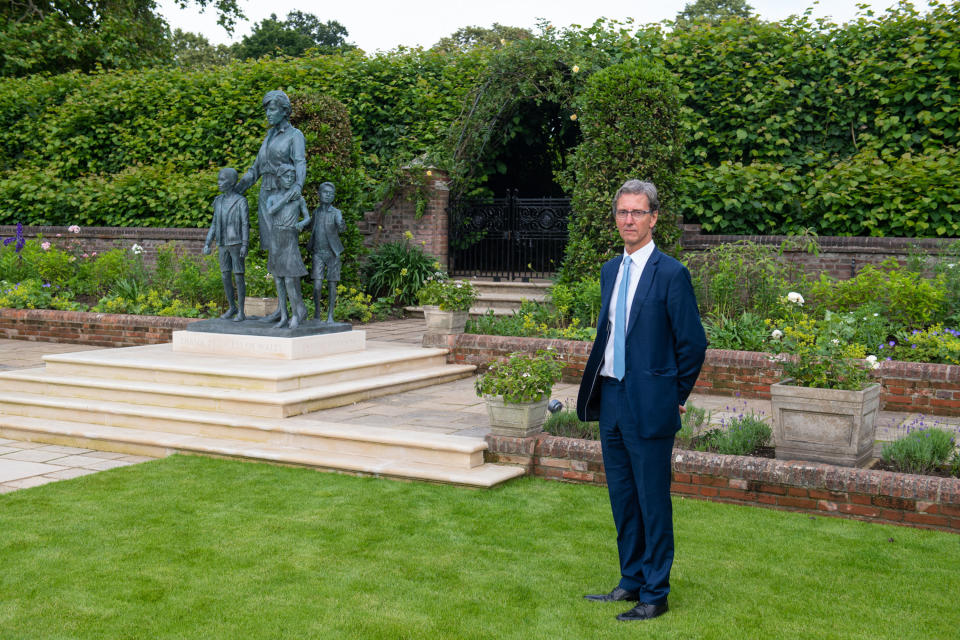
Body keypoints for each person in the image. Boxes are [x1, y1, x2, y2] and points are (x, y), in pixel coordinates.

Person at [576, 179, 707, 622]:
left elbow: (692, 343)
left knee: (653, 500)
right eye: (622, 212)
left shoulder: (671, 273)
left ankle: (656, 593)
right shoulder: (611, 269)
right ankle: (630, 580)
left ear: (654, 218)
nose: (628, 220)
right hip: (611, 398)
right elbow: (610, 334)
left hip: (649, 405)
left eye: (637, 212)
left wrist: (675, 395)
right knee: (623, 498)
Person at [235, 89, 306, 322]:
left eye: (272, 108)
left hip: (282, 196)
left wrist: (298, 186)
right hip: (266, 196)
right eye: (266, 109)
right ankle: (281, 310)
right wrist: (239, 187)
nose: (268, 113)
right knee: (274, 254)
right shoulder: (268, 137)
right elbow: (255, 169)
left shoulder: (295, 135)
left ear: (284, 110)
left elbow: (300, 162)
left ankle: (298, 310)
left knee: (286, 253)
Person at [264, 163, 310, 329]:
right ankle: (283, 316)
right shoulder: (272, 198)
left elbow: (307, 217)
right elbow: (270, 211)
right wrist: (286, 198)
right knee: (278, 279)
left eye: (292, 177)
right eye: (286, 176)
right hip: (276, 238)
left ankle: (296, 315)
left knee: (290, 279)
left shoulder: (299, 199)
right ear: (279, 179)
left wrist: (301, 224)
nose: (290, 179)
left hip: (290, 237)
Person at [203, 167, 249, 322]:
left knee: (238, 276)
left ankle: (241, 311)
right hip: (223, 243)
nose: (219, 183)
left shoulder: (240, 201)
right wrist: (208, 242)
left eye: (222, 180)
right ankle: (232, 307)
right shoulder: (219, 201)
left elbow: (245, 223)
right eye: (218, 179)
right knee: (225, 276)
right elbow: (214, 224)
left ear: (231, 182)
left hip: (236, 243)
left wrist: (245, 244)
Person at [307, 182, 346, 323]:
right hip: (318, 253)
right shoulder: (316, 212)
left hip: (332, 253)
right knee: (317, 286)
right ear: (319, 194)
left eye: (331, 193)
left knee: (331, 285)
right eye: (325, 192)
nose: (328, 195)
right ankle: (317, 315)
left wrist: (341, 224)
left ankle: (330, 315)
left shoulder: (336, 213)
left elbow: (341, 226)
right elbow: (311, 227)